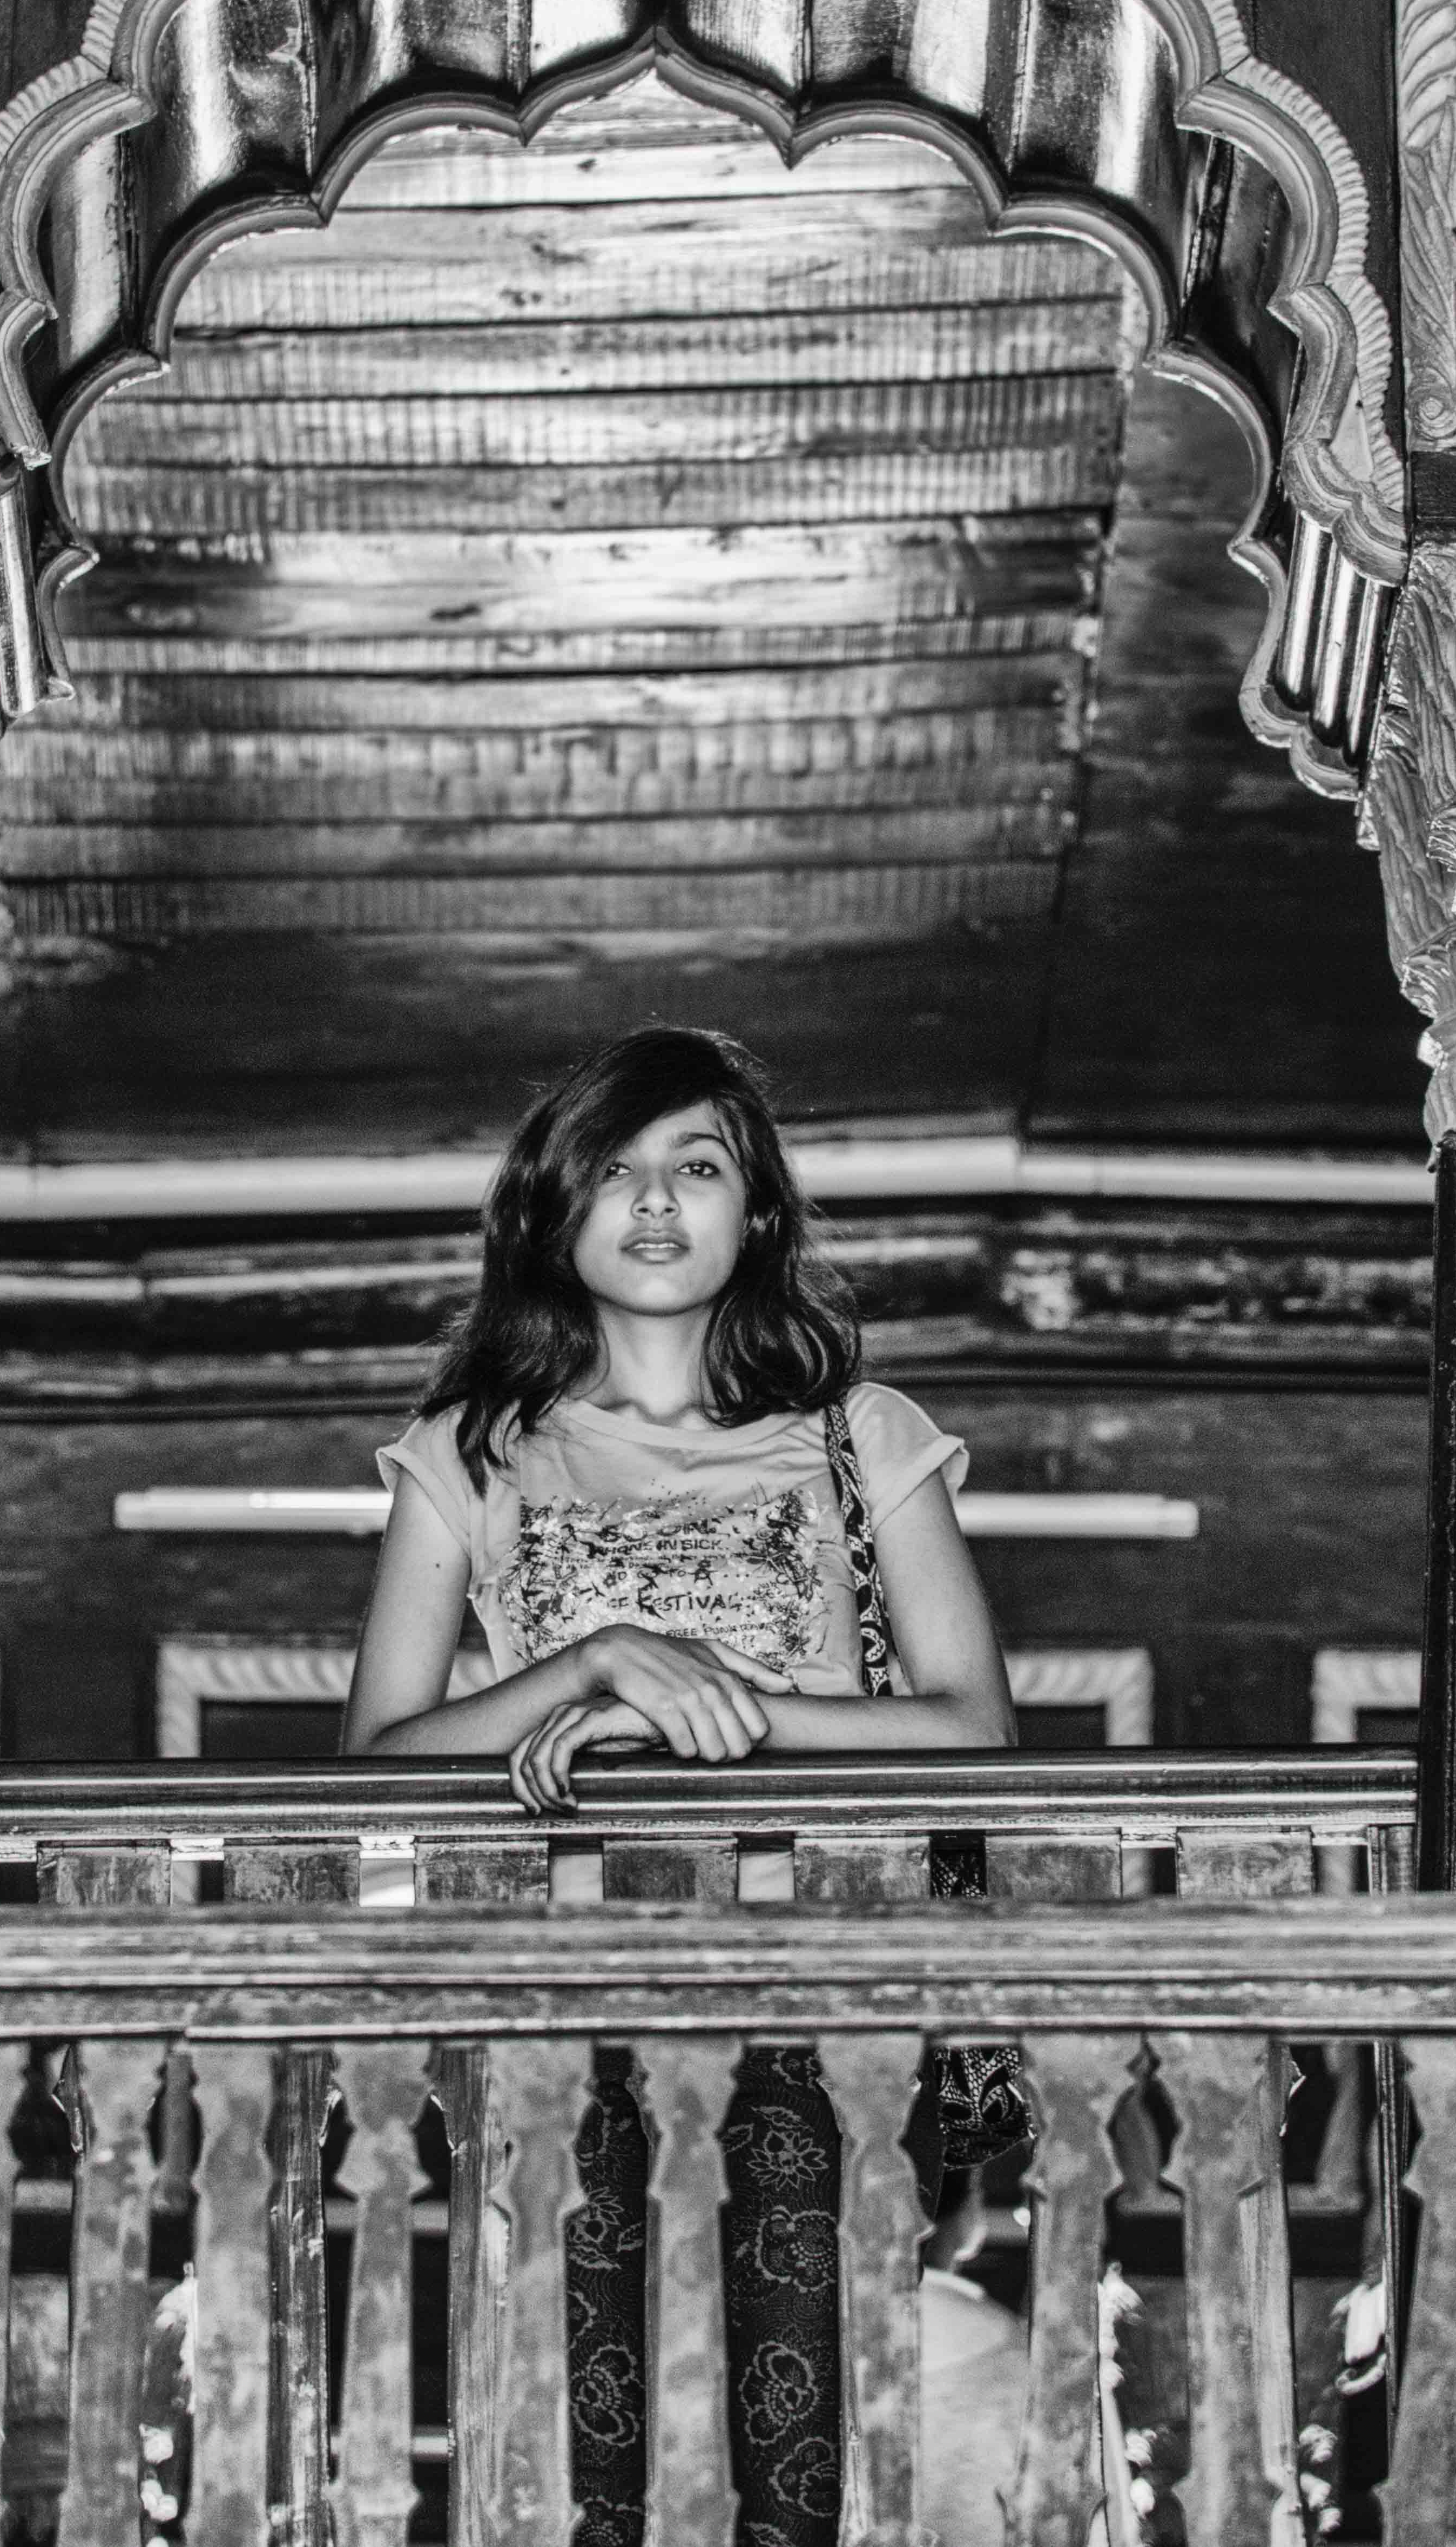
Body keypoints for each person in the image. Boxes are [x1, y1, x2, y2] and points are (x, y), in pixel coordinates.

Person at [343, 1025, 1015, 2547]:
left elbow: (975, 1729)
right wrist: (591, 1666)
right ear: (556, 1209)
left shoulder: (862, 1436)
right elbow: (378, 1756)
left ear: (755, 1209)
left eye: (696, 1167)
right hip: (563, 1997)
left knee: (795, 2447)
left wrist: (723, 1708)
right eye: (617, 1169)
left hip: (813, 1990)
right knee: (594, 2453)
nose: (655, 1203)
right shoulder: (470, 1451)